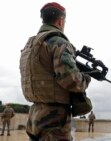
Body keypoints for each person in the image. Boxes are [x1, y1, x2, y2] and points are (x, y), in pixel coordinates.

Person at [19, 2, 91, 141]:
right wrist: (85, 78)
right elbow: (71, 80)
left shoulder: (30, 45)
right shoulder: (58, 41)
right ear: (60, 20)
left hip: (35, 113)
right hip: (54, 117)